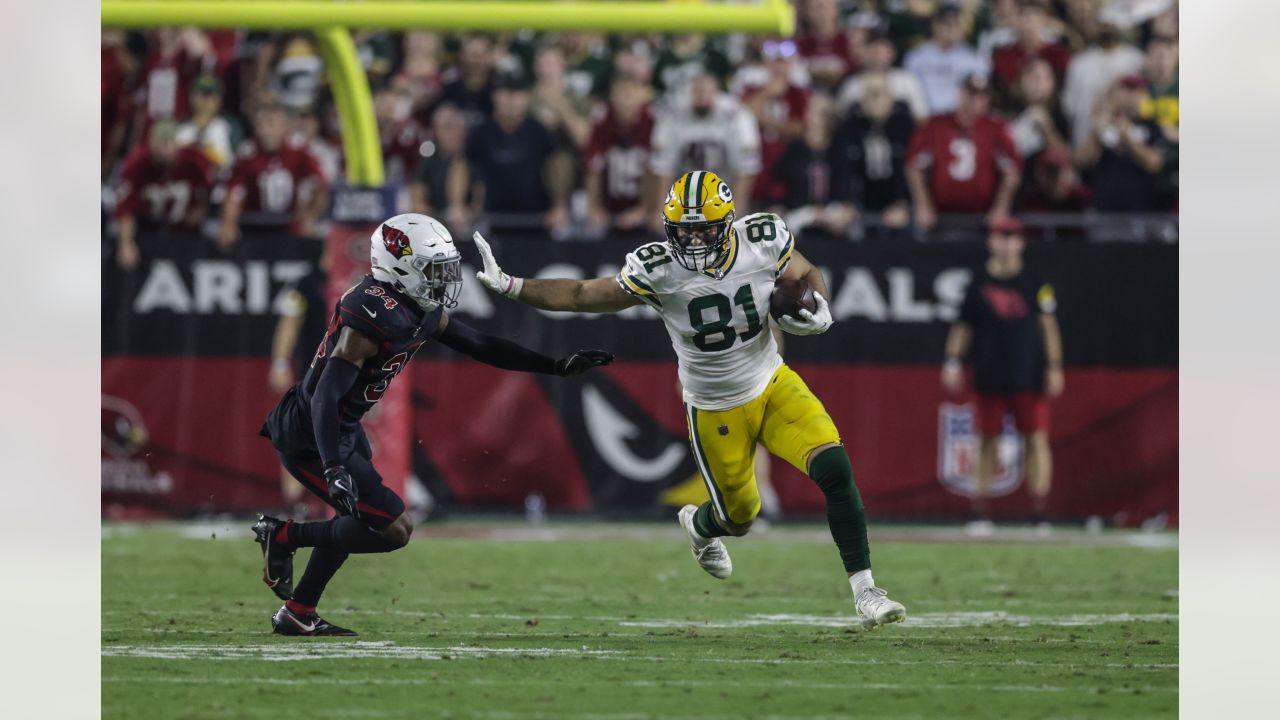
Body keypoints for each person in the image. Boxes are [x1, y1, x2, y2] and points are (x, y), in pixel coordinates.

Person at [470, 170, 907, 628]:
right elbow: (582, 294)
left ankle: (866, 591)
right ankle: (700, 527)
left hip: (771, 380)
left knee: (834, 468)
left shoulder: (762, 237)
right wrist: (512, 286)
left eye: (704, 229)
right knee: (740, 518)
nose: (695, 241)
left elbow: (805, 272)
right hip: (714, 405)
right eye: (685, 231)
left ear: (729, 222)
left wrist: (818, 304)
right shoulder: (658, 268)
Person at [254, 213, 614, 636]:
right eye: (433, 270)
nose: (443, 280)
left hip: (342, 427)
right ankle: (284, 537)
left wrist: (554, 366)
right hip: (313, 432)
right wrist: (332, 465)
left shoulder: (415, 307)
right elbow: (324, 397)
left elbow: (480, 343)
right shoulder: (373, 314)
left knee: (355, 517)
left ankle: (298, 611)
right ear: (400, 268)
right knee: (392, 529)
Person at [941, 217, 1063, 533]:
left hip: (1028, 372)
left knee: (1035, 440)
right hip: (988, 370)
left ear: (1020, 243)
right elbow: (962, 326)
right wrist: (953, 360)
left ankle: (1039, 511)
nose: (1006, 244)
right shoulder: (977, 283)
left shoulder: (1036, 281)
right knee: (984, 440)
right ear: (991, 242)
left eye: (1012, 237)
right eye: (1000, 237)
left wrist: (1054, 365)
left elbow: (1048, 326)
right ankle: (980, 510)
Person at [905, 73, 1021, 232]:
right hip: (940, 217)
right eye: (972, 94)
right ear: (959, 94)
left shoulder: (996, 128)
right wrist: (923, 204)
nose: (977, 101)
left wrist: (1000, 208)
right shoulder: (936, 125)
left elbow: (1012, 170)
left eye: (982, 95)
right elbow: (914, 166)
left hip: (982, 217)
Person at [460, 67, 568, 234]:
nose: (510, 100)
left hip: (536, 219)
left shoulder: (538, 130)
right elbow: (462, 167)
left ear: (526, 98)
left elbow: (556, 165)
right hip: (492, 219)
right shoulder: (481, 131)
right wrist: (460, 204)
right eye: (505, 93)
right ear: (495, 96)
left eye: (516, 93)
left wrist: (559, 206)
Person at [219, 102, 328, 248]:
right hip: (253, 227)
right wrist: (228, 224)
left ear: (284, 127)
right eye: (261, 125)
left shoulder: (298, 149)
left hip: (289, 227)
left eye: (271, 125)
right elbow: (233, 192)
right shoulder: (247, 153)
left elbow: (321, 183)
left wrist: (310, 215)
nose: (266, 132)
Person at [649, 72, 761, 214]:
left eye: (706, 90)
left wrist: (734, 212)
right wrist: (662, 211)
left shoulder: (737, 115)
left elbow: (746, 169)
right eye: (697, 90)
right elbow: (662, 168)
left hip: (724, 195)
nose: (701, 95)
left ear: (717, 91)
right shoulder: (672, 115)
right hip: (683, 198)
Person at [114, 119, 216, 270]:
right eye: (160, 143)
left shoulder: (194, 160)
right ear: (151, 143)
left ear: (177, 143)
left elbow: (216, 191)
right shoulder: (137, 163)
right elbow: (124, 208)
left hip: (189, 233)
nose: (164, 150)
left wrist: (202, 209)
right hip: (148, 231)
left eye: (168, 143)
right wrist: (126, 243)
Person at [830, 73, 916, 230]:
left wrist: (902, 203)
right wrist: (847, 202)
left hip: (897, 198)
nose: (875, 99)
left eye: (880, 93)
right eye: (870, 93)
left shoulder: (905, 127)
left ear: (891, 98)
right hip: (860, 200)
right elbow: (843, 168)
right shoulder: (848, 128)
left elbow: (909, 167)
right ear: (861, 100)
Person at [1074, 75, 1168, 212]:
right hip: (1103, 208)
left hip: (1141, 208)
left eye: (1136, 90)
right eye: (1125, 89)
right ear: (1114, 93)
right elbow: (1081, 161)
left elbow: (1154, 164)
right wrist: (1096, 133)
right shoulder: (1102, 123)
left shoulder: (1152, 125)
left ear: (1145, 95)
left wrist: (1126, 136)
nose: (1130, 95)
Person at [584, 74, 657, 236]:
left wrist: (645, 209)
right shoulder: (602, 119)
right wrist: (593, 207)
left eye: (632, 92)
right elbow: (593, 166)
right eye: (622, 92)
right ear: (612, 96)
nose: (627, 98)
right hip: (610, 205)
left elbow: (659, 169)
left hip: (645, 205)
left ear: (643, 96)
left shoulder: (653, 120)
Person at [904, 3, 990, 115]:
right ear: (934, 25)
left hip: (959, 118)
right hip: (923, 118)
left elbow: (979, 95)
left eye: (955, 24)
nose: (950, 29)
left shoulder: (974, 60)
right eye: (946, 23)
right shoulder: (916, 57)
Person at [835, 24, 929, 122]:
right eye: (873, 48)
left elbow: (921, 117)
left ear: (892, 52)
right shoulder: (852, 84)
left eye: (883, 49)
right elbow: (841, 119)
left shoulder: (907, 81)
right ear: (864, 52)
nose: (878, 54)